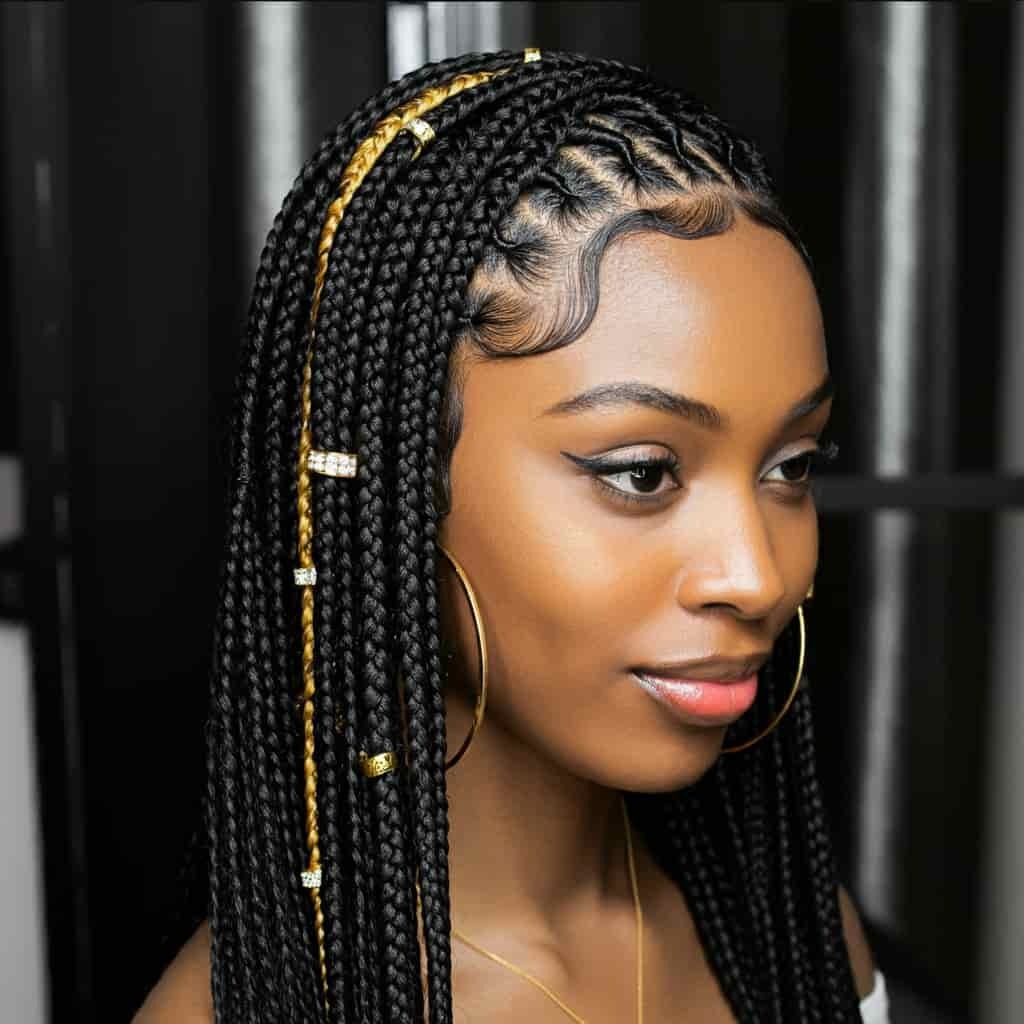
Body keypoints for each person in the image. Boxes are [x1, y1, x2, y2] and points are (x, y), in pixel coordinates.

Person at [134, 48, 891, 1023]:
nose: (756, 576)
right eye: (642, 473)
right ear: (400, 485)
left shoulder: (797, 938)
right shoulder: (255, 1008)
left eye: (791, 465)